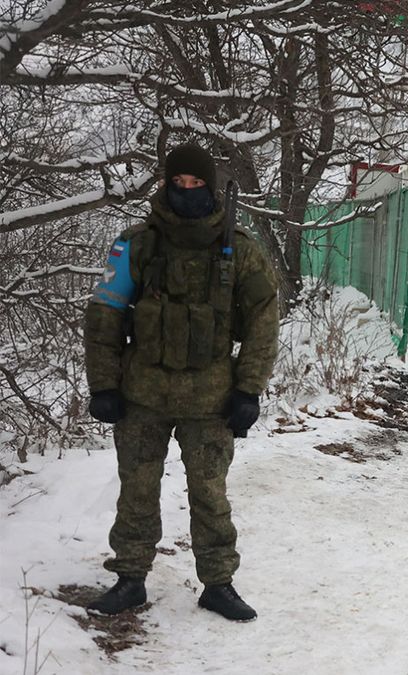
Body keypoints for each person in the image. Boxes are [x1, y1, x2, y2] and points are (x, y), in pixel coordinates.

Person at [83, 143, 280, 621]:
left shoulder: (239, 248)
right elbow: (105, 314)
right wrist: (103, 385)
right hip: (142, 395)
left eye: (195, 184)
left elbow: (263, 319)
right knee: (137, 489)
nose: (186, 192)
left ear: (210, 189)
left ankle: (218, 583)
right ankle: (130, 578)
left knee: (210, 494)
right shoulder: (138, 243)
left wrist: (249, 389)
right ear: (166, 185)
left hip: (210, 399)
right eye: (178, 183)